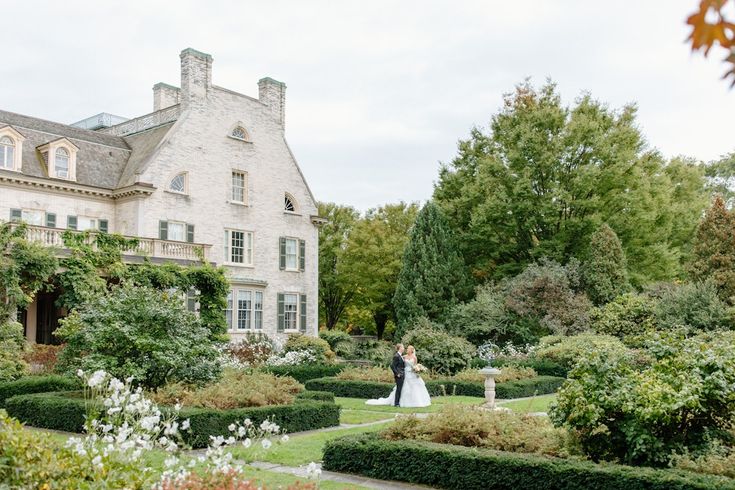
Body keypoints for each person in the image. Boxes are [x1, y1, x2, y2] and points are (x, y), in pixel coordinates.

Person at [366, 344, 431, 408]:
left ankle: (414, 401)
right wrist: (397, 373)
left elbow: (415, 365)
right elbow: (395, 364)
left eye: (408, 348)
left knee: (414, 387)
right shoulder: (404, 357)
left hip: (412, 373)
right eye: (405, 348)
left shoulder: (414, 357)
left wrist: (417, 369)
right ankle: (397, 402)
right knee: (402, 387)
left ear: (411, 350)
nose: (406, 349)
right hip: (405, 373)